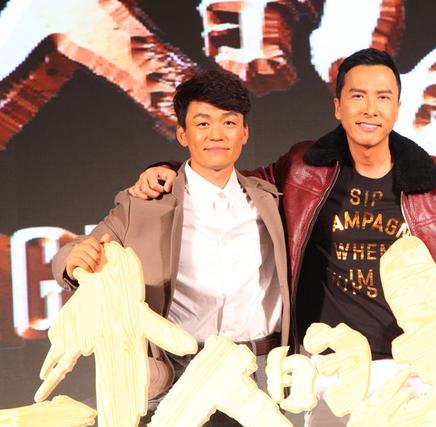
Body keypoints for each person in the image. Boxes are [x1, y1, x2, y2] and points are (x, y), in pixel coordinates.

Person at [130, 48, 436, 425]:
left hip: (416, 371)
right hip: (330, 370)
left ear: (397, 107)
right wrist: (169, 170)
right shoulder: (304, 167)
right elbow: (231, 182)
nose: (370, 109)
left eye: (383, 97)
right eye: (357, 96)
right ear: (338, 106)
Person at [52, 69, 290, 426]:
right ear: (182, 134)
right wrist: (72, 261)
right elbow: (80, 250)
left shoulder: (271, 201)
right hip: (178, 373)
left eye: (228, 123)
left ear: (244, 133)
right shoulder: (145, 204)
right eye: (202, 123)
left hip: (256, 371)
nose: (216, 134)